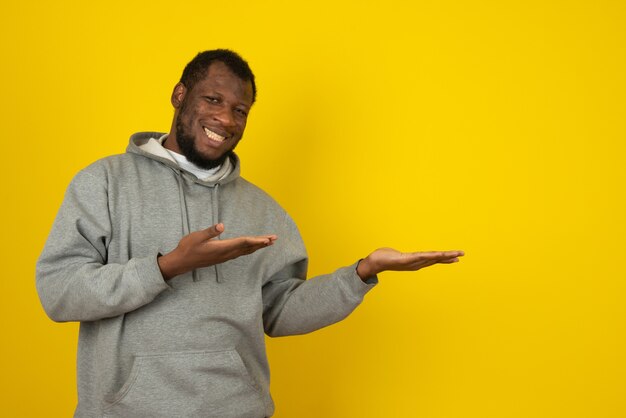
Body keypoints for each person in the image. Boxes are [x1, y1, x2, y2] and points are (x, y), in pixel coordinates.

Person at [36, 49, 464, 418]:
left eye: (240, 110)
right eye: (213, 99)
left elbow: (278, 311)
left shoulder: (262, 209)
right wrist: (165, 268)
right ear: (179, 95)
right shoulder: (106, 182)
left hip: (239, 408)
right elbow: (59, 293)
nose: (225, 118)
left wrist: (361, 273)